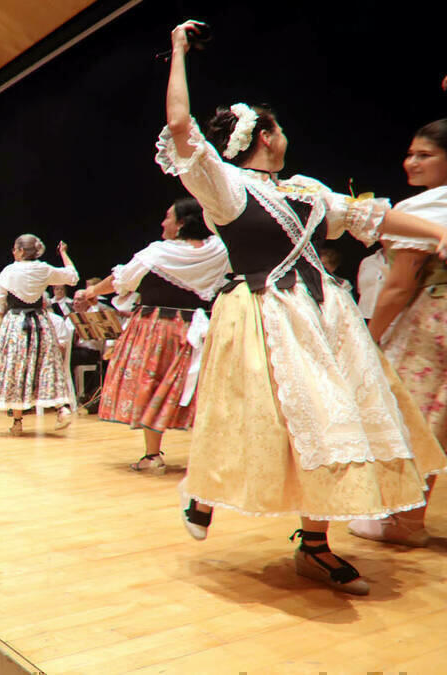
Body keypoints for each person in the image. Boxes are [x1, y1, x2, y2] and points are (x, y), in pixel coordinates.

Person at [160, 20, 447, 594]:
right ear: (264, 135)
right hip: (265, 312)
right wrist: (177, 51)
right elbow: (179, 126)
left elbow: (369, 216)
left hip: (321, 316)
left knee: (336, 423)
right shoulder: (227, 186)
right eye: (279, 127)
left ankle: (314, 545)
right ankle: (205, 489)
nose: (285, 132)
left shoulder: (305, 189)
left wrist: (439, 235)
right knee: (263, 420)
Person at [348, 119, 447, 547]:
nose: (412, 162)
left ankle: (404, 522)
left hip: (434, 319)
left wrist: (370, 336)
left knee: (414, 415)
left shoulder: (421, 212)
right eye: (410, 153)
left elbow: (399, 284)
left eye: (425, 154)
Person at [77, 198, 229, 473]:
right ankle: (209, 454)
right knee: (196, 390)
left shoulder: (159, 253)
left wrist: (91, 292)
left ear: (181, 223)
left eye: (168, 217)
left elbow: (121, 279)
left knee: (150, 384)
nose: (163, 222)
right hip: (196, 327)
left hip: (156, 327)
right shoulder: (218, 250)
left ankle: (152, 454)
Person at [0, 236, 79, 435]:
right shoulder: (43, 269)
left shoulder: (9, 271)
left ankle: (17, 422)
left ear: (20, 251)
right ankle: (62, 409)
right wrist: (63, 253)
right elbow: (72, 276)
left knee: (17, 369)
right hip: (40, 322)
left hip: (16, 323)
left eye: (15, 248)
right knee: (46, 365)